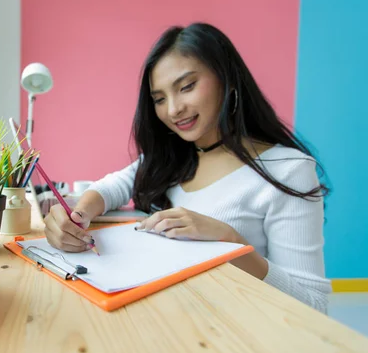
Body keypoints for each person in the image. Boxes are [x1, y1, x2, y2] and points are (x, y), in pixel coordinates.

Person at [43, 22, 332, 313]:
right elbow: (111, 187)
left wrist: (230, 241)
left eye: (187, 87)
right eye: (159, 99)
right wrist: (77, 216)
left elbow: (314, 305)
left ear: (227, 79)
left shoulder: (289, 171)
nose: (173, 110)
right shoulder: (171, 160)